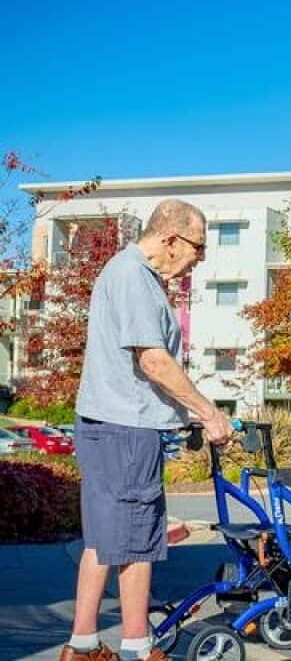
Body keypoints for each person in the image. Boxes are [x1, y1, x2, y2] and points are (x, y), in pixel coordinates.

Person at [62, 200, 234, 661]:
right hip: (126, 429)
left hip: (103, 423)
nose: (200, 257)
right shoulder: (135, 276)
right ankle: (139, 648)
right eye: (198, 246)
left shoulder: (125, 272)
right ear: (170, 238)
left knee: (104, 538)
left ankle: (81, 647)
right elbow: (153, 360)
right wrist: (208, 413)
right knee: (138, 540)